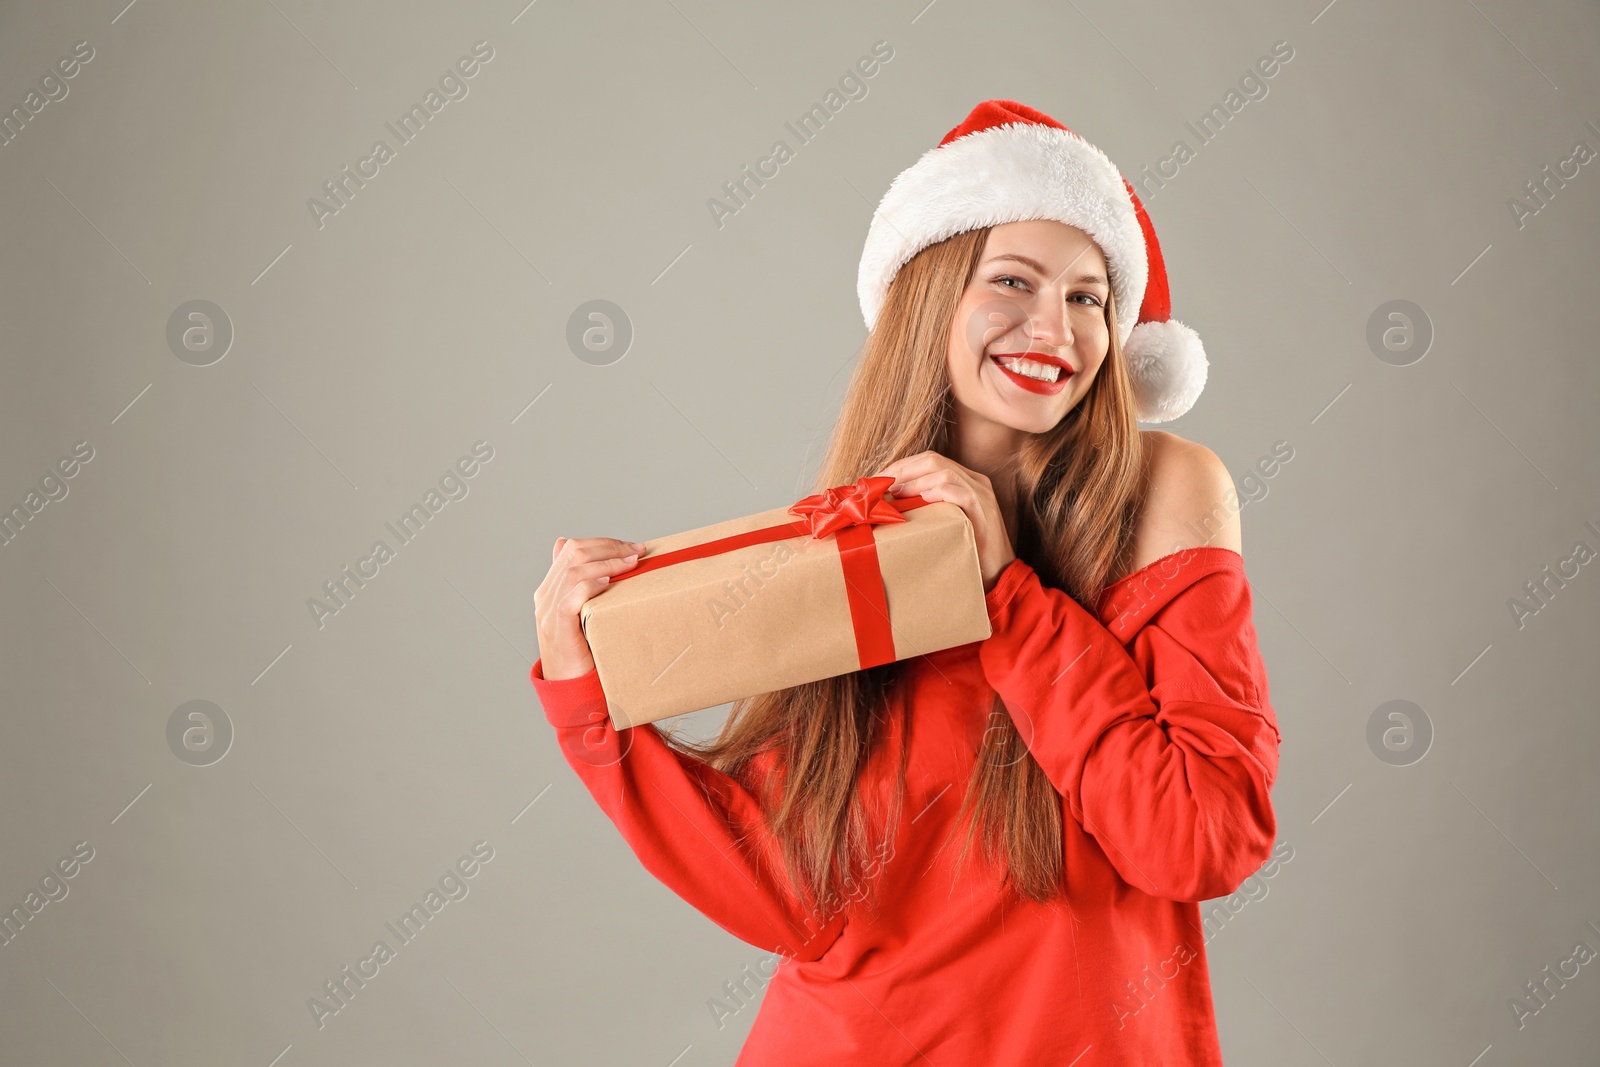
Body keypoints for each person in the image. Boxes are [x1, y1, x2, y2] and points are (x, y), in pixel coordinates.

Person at [531, 100, 1281, 1065]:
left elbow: (1198, 836)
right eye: (1012, 279)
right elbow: (790, 895)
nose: (1053, 324)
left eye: (1089, 297)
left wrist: (1006, 595)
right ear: (932, 296)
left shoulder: (1162, 489)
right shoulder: (860, 535)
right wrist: (589, 707)